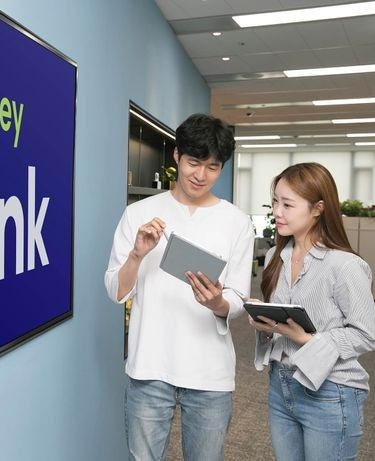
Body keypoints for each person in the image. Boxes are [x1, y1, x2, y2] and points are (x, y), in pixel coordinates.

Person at [104, 113, 255, 461]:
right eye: (193, 163)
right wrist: (137, 255)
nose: (201, 175)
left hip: (210, 374)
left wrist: (217, 302)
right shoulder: (139, 214)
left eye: (213, 167)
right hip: (149, 368)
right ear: (176, 155)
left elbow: (237, 298)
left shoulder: (236, 222)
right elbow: (116, 291)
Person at [249, 162, 375, 461]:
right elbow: (281, 326)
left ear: (318, 208)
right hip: (281, 385)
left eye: (288, 205)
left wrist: (307, 339)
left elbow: (367, 335)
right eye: (275, 202)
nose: (277, 212)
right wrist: (266, 325)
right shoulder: (275, 256)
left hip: (331, 391)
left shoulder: (344, 265)